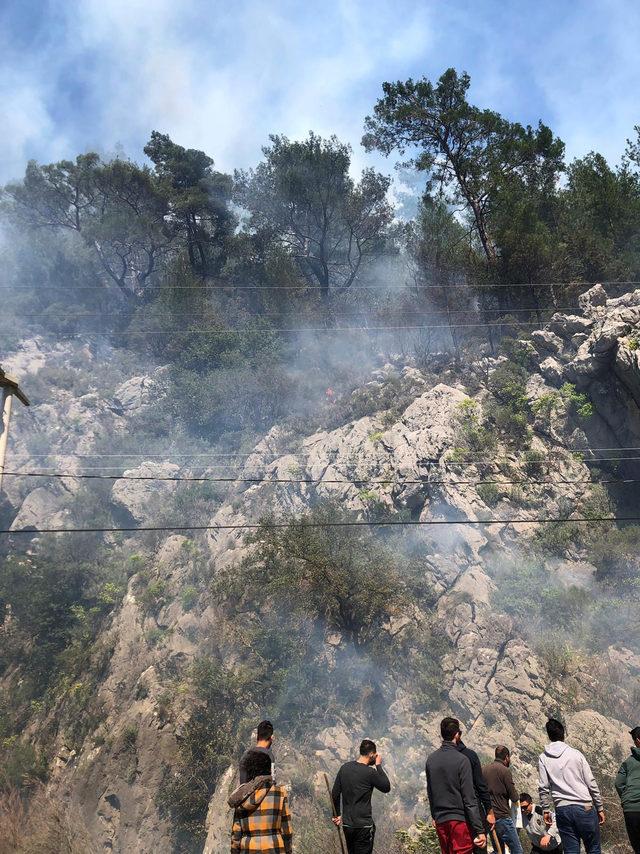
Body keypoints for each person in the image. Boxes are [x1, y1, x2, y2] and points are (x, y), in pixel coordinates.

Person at [538, 718, 604, 854]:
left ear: (549, 736)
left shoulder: (543, 758)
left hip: (562, 810)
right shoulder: (576, 754)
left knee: (571, 851)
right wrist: (600, 807)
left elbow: (543, 787)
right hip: (584, 807)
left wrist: (546, 810)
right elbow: (591, 783)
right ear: (563, 734)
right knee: (593, 849)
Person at [426, 717, 486, 854]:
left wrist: (434, 816)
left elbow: (430, 792)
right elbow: (469, 798)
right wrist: (479, 830)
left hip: (441, 821)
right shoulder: (462, 760)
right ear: (457, 734)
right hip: (458, 821)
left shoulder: (431, 760)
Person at [331, 738, 391, 854]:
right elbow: (386, 787)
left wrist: (336, 814)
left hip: (347, 825)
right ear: (372, 754)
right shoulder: (370, 773)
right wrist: (378, 765)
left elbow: (335, 793)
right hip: (363, 826)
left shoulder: (345, 768)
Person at [228, 750, 292, 853]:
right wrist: (288, 851)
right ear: (268, 770)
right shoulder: (280, 794)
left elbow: (236, 835)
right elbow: (287, 831)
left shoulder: (240, 798)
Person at [457, 731, 496, 849]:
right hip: (474, 810)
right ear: (458, 734)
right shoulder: (470, 755)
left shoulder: (442, 759)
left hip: (455, 814)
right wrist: (489, 811)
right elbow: (481, 785)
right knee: (480, 847)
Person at [483, 746, 523, 854]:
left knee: (498, 850)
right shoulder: (505, 771)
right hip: (503, 817)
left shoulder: (484, 770)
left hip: (490, 818)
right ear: (506, 757)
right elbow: (514, 797)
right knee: (517, 850)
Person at [614, 725, 640, 853]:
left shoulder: (627, 762)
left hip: (631, 810)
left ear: (638, 741)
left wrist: (627, 799)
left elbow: (618, 783)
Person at [239, 719, 275, 784]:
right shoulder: (269, 756)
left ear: (257, 736)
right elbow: (272, 781)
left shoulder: (245, 756)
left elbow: (242, 784)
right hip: (261, 792)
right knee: (281, 791)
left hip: (245, 793)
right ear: (271, 737)